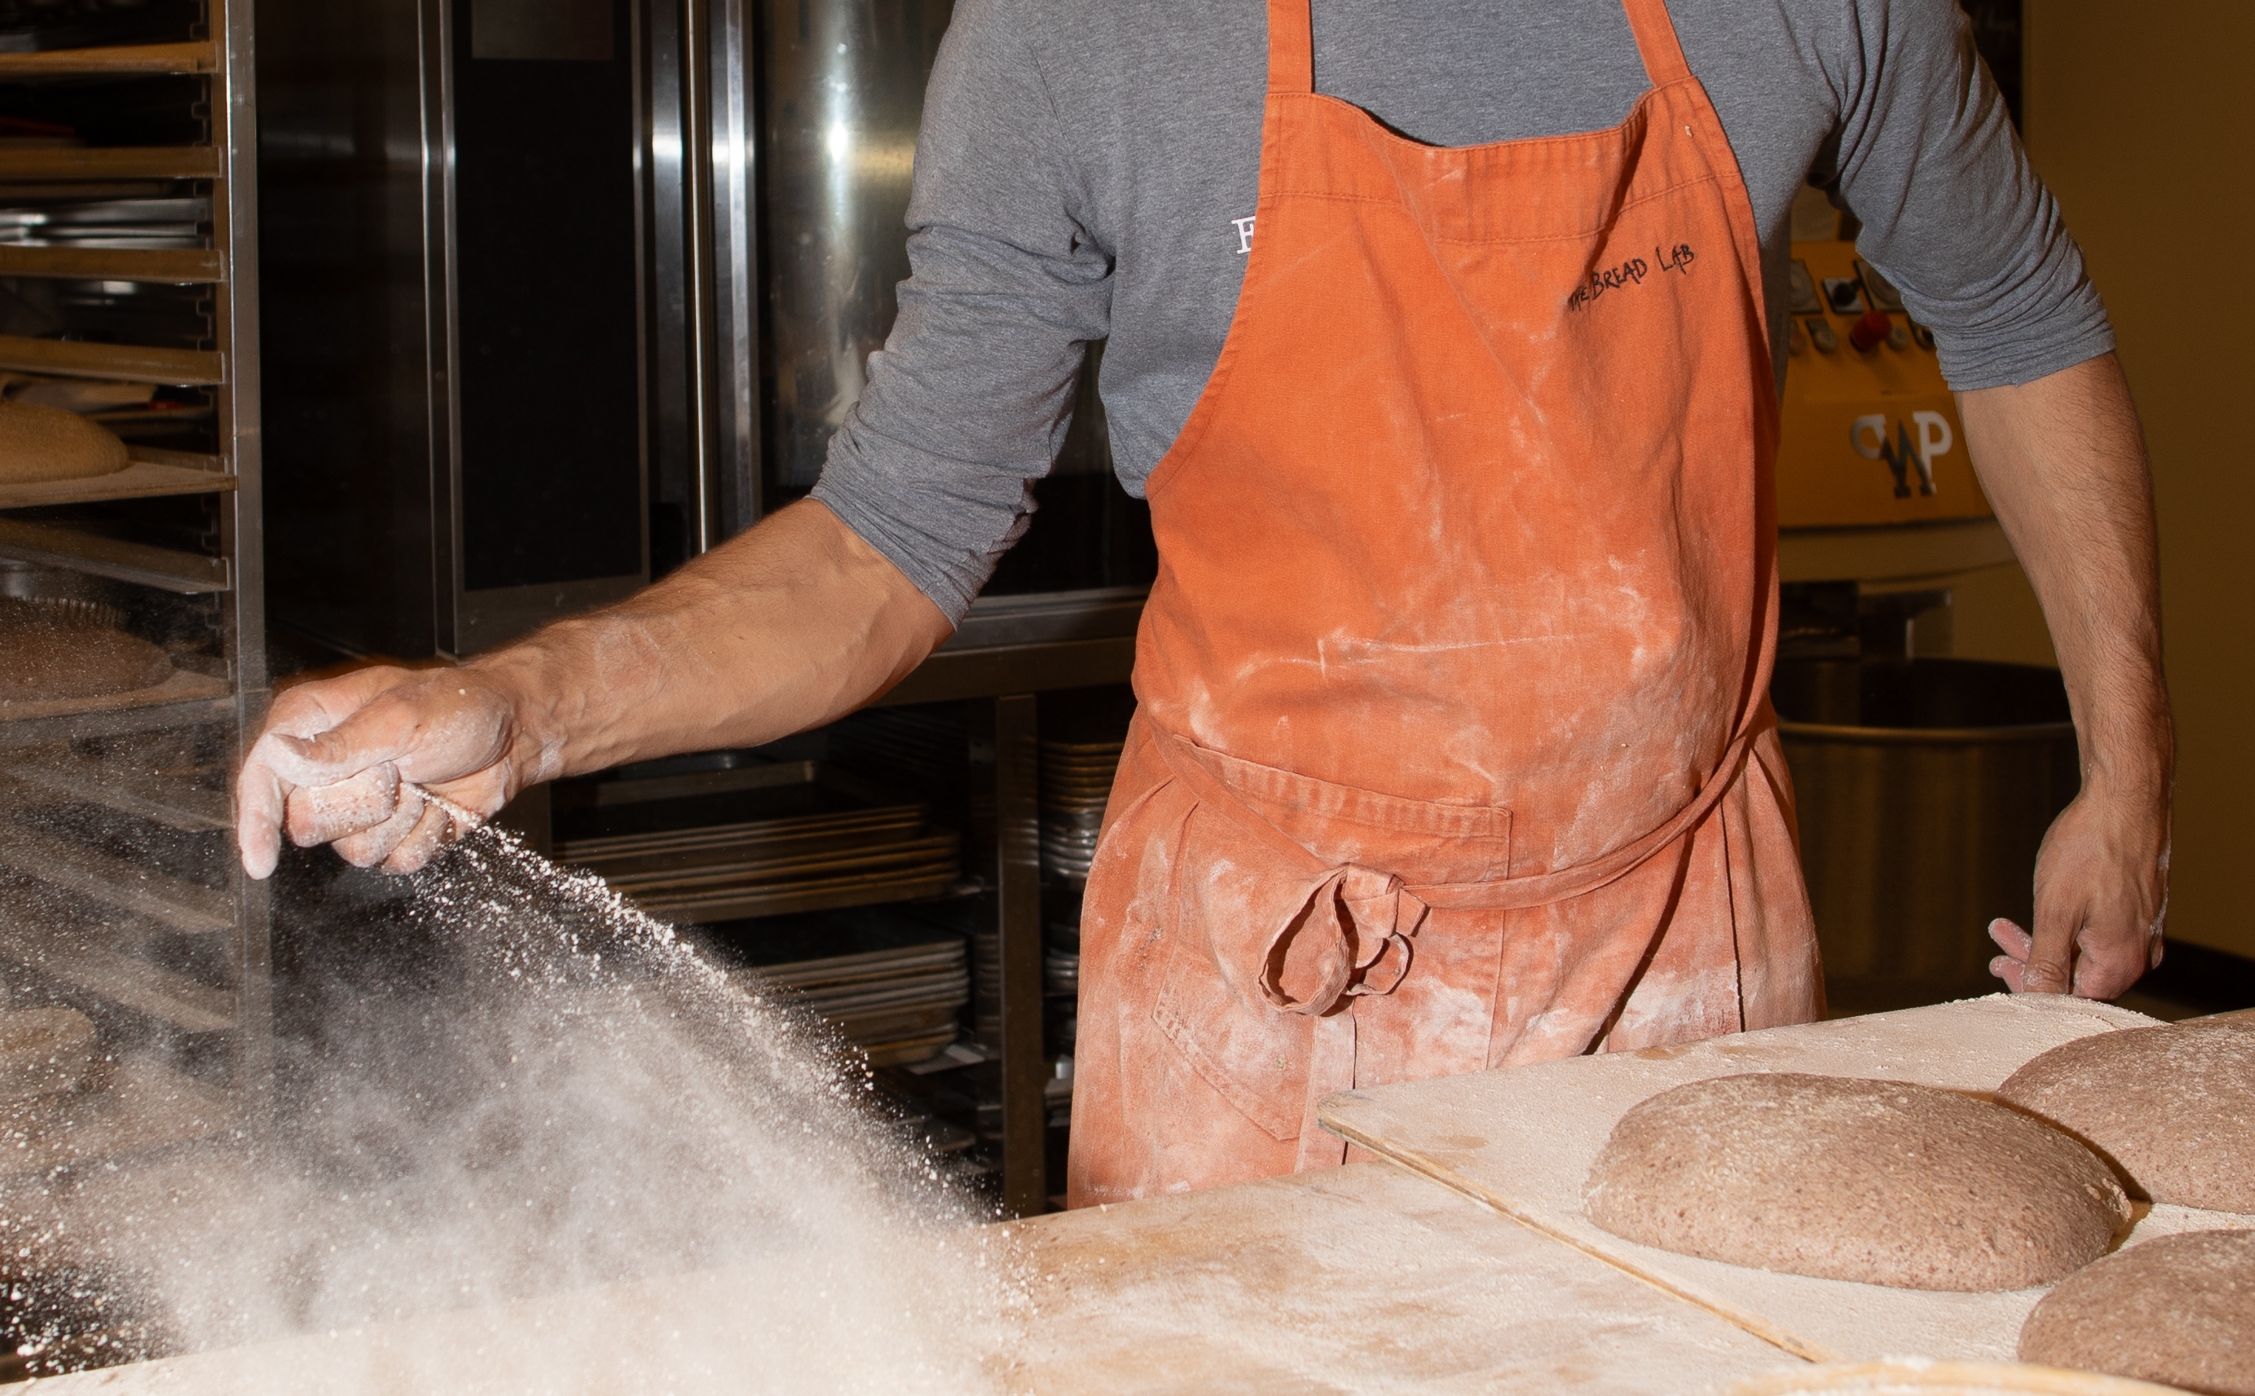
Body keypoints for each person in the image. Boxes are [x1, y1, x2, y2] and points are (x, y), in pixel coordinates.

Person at [236, 0, 2170, 1207]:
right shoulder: (1087, 37)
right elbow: (888, 538)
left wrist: (2129, 771)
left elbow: (2018, 321)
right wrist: (526, 704)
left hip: (1687, 923)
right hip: (1272, 975)